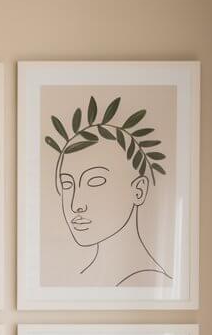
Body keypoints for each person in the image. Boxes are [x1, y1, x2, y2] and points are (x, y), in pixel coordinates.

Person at [47, 103, 170, 287]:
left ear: (139, 190)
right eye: (67, 184)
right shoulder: (82, 280)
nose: (76, 204)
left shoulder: (140, 281)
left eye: (95, 181)